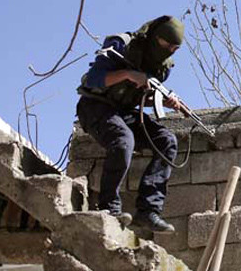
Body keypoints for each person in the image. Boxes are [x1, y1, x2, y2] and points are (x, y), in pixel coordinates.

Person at [76, 15, 185, 234]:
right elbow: (92, 79)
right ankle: (108, 206)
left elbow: (139, 97)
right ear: (155, 37)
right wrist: (127, 74)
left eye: (174, 48)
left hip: (123, 112)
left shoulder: (163, 67)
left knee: (167, 141)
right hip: (95, 107)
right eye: (166, 45)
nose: (169, 51)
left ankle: (148, 211)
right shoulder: (122, 44)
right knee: (123, 140)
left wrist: (165, 101)